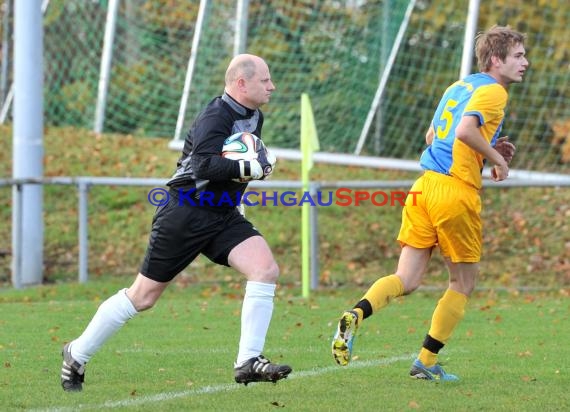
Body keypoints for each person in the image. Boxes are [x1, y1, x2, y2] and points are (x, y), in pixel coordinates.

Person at [60, 54, 292, 391]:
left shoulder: (254, 117)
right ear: (242, 84)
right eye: (265, 80)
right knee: (143, 297)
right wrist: (247, 169)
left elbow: (232, 169)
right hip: (184, 213)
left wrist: (239, 194)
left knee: (265, 269)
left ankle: (248, 360)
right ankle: (76, 354)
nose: (272, 86)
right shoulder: (216, 116)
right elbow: (202, 167)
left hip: (222, 213)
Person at [331, 25, 528, 381]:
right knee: (463, 284)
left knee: (405, 279)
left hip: (423, 188)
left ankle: (356, 314)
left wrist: (487, 153)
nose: (525, 62)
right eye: (518, 55)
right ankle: (426, 361)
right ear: (496, 60)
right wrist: (498, 161)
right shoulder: (495, 92)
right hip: (454, 194)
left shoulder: (460, 86)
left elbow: (434, 135)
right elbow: (466, 131)